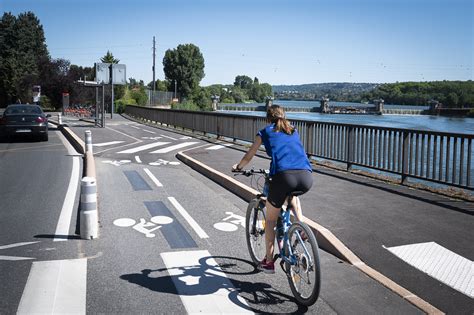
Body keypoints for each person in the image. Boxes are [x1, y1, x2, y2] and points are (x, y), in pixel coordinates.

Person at [232, 105, 313, 273]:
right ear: (284, 115)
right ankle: (301, 226)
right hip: (306, 177)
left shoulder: (265, 132)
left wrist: (238, 167)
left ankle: (269, 262)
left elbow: (249, 155)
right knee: (292, 196)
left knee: (270, 221)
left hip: (283, 177)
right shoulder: (293, 130)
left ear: (268, 118)